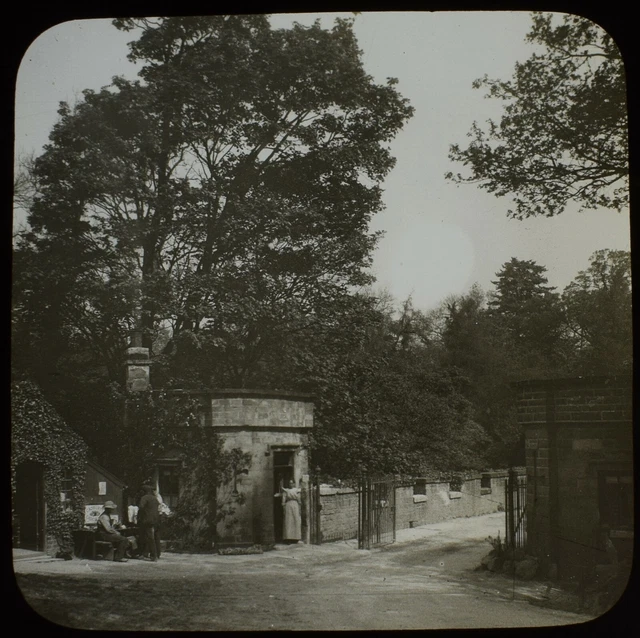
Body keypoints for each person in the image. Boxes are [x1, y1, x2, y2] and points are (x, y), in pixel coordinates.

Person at [138, 484, 159, 561]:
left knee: (149, 537)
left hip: (147, 520)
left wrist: (139, 517)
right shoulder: (154, 498)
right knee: (150, 537)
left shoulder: (144, 498)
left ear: (144, 491)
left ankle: (153, 556)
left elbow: (141, 507)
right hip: (155, 520)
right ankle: (146, 553)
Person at [281, 479, 302, 544]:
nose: (291, 484)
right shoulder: (286, 491)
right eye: (290, 483)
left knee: (296, 520)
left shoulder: (297, 490)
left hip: (295, 505)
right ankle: (288, 538)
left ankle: (296, 538)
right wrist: (284, 507)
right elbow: (283, 500)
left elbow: (299, 499)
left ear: (294, 484)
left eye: (292, 483)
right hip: (288, 505)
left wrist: (299, 507)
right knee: (288, 521)